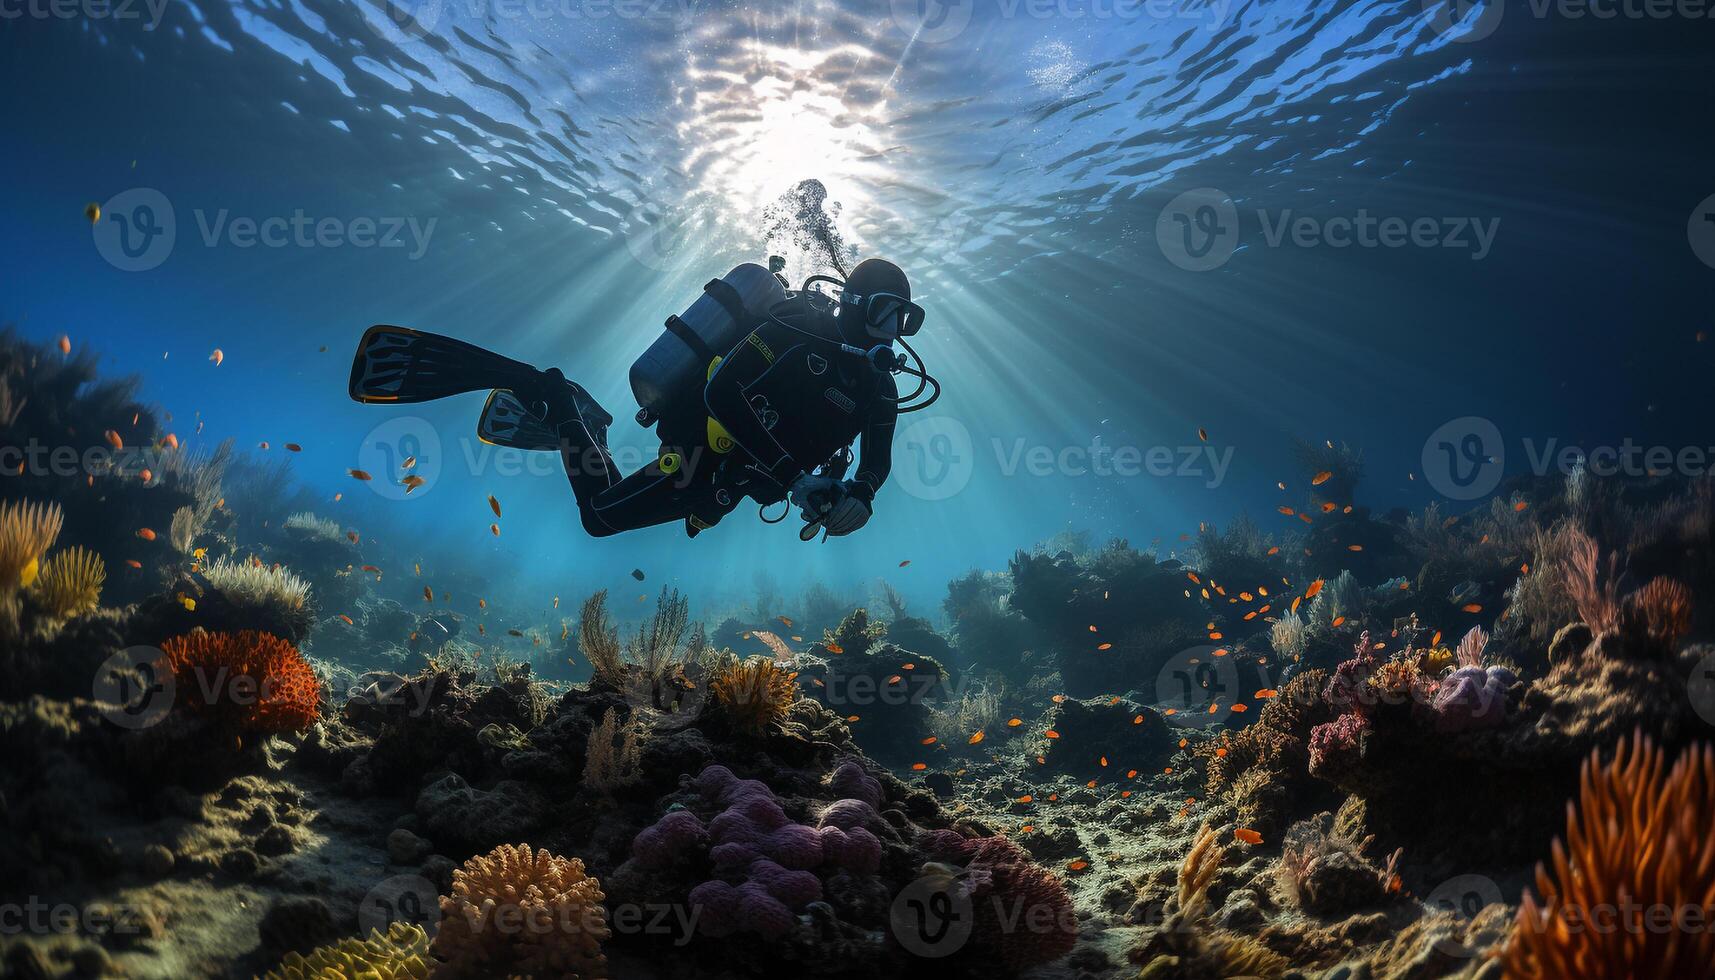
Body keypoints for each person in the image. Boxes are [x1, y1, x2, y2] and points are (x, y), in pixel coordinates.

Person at [524, 258, 924, 539]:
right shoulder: (795, 332)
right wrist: (796, 480)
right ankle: (560, 400)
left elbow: (877, 460)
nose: (893, 330)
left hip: (733, 483)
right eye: (884, 311)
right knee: (598, 519)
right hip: (703, 456)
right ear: (856, 306)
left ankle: (590, 431)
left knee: (608, 508)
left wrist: (861, 495)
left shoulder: (878, 386)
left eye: (904, 317)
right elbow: (721, 392)